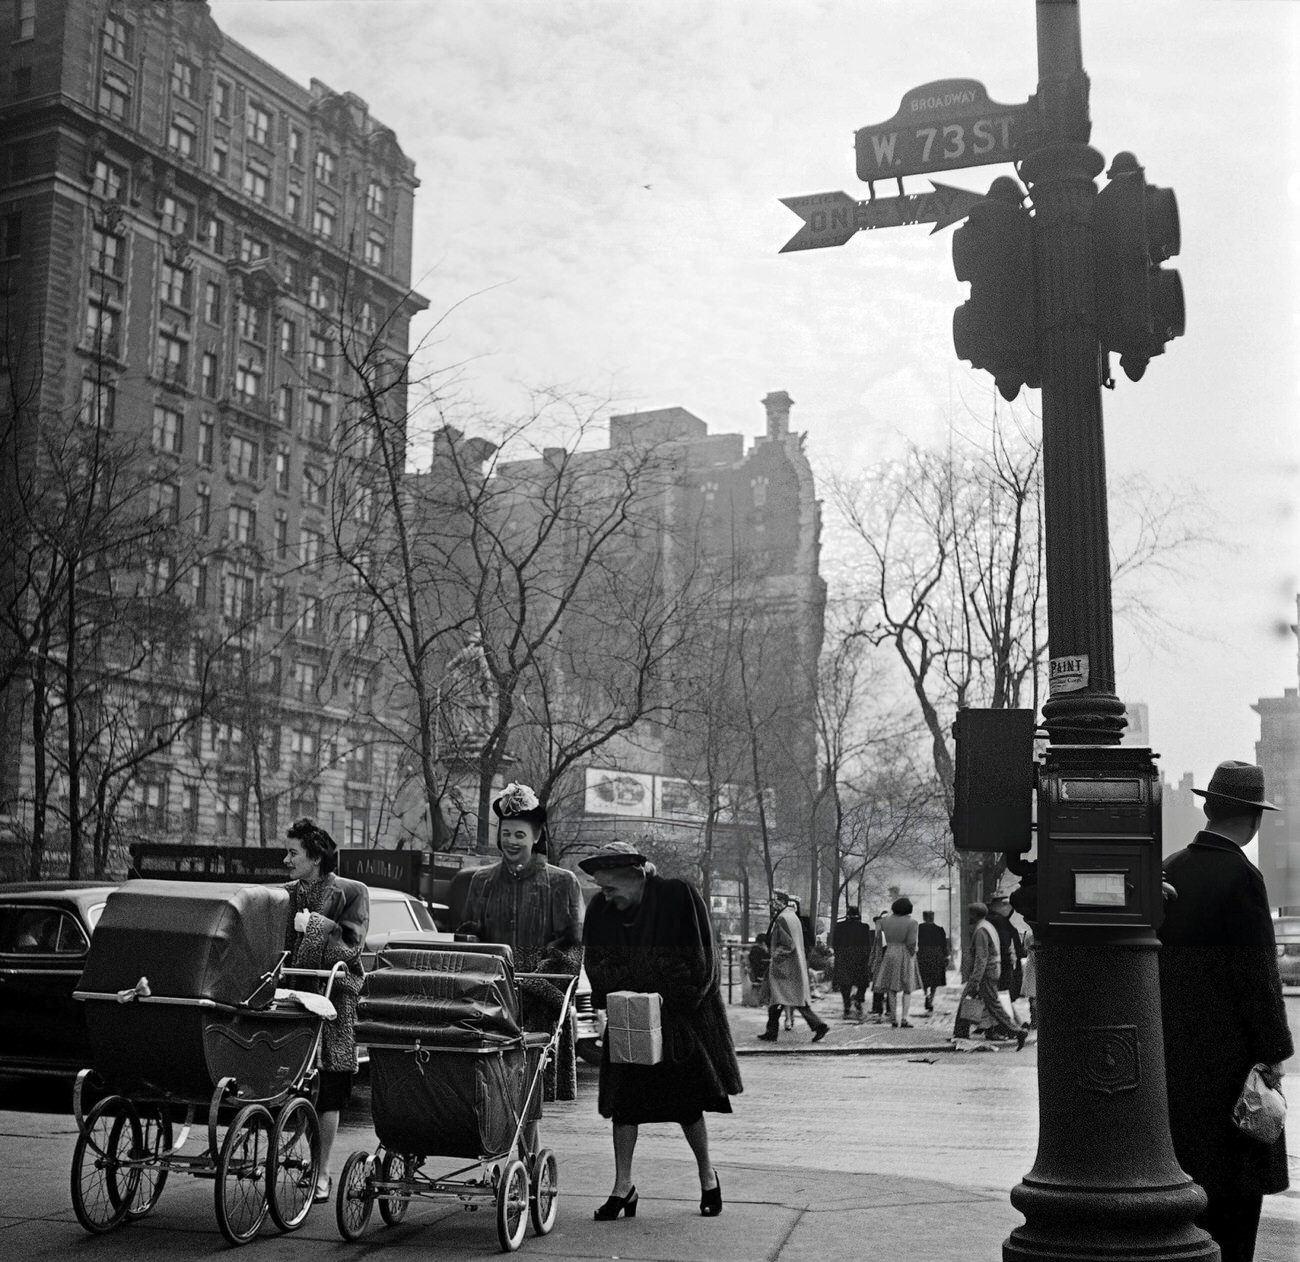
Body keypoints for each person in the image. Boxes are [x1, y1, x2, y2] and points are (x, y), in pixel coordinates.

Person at [1158, 760, 1293, 1262]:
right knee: (1236, 1197)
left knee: (1189, 1187)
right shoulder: (1242, 876)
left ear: (1209, 807)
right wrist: (1273, 1052)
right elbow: (1257, 975)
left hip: (1173, 1054)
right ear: (1254, 819)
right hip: (1230, 1061)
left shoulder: (1171, 868)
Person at [579, 840, 741, 1220]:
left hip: (678, 1020)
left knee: (686, 1104)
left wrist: (659, 994)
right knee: (624, 1105)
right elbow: (596, 961)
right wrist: (623, 995)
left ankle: (707, 1178)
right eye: (601, 889)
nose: (605, 896)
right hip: (627, 1020)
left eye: (611, 888)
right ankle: (624, 1187)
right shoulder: (602, 909)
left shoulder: (677, 896)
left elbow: (700, 962)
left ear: (635, 878)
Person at [458, 782, 585, 1104]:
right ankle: (517, 1153)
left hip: (539, 1004)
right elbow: (469, 938)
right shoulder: (481, 880)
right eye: (506, 833)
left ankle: (525, 1154)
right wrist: (484, 975)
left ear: (536, 837)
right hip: (491, 1001)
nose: (511, 841)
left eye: (520, 834)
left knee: (529, 1089)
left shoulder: (562, 882)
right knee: (491, 1089)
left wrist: (533, 983)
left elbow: (572, 945)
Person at [282, 817, 370, 1203]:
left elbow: (348, 949)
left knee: (329, 1090)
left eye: (293, 853)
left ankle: (322, 1170)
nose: (286, 860)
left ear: (315, 857)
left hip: (333, 1003)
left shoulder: (351, 892)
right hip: (290, 1000)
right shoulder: (283, 895)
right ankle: (293, 1157)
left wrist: (315, 925)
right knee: (289, 1082)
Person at [951, 902, 1027, 1049]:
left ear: (973, 915)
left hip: (986, 972)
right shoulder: (988, 926)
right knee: (975, 1001)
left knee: (990, 1004)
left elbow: (982, 957)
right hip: (992, 970)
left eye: (969, 914)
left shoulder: (981, 931)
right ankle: (960, 1032)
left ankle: (1017, 1030)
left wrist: (975, 979)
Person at [757, 891, 829, 1043]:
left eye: (774, 900)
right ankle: (772, 1031)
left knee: (781, 998)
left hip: (783, 966)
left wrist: (775, 955)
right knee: (787, 999)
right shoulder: (792, 917)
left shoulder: (782, 918)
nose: (772, 903)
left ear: (781, 901)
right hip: (794, 964)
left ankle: (818, 1025)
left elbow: (787, 944)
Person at [873, 896, 923, 1028]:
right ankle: (904, 1018)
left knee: (891, 987)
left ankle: (893, 1018)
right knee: (907, 987)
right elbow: (912, 942)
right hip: (904, 953)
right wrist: (913, 953)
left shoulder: (884, 921)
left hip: (889, 952)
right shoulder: (912, 923)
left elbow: (879, 939)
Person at [986, 893, 1025, 1023]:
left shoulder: (998, 921)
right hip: (1004, 963)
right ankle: (1012, 1024)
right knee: (1001, 995)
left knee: (1000, 995)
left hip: (1004, 963)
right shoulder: (1000, 922)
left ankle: (1013, 1023)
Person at [830, 905, 873, 1019]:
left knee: (845, 982)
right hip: (859, 957)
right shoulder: (864, 927)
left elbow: (835, 943)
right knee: (862, 981)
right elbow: (867, 944)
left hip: (843, 956)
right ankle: (859, 998)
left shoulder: (839, 927)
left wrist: (838, 953)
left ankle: (846, 1003)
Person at [917, 910, 949, 1013]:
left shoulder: (920, 928)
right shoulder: (940, 929)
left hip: (923, 955)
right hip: (937, 956)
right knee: (935, 980)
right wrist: (946, 957)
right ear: (933, 917)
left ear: (924, 917)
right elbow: (944, 945)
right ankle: (931, 998)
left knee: (924, 979)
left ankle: (926, 995)